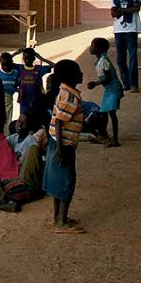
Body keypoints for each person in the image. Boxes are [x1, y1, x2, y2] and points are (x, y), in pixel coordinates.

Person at [43, 58, 86, 233]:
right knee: (67, 181)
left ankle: (57, 217)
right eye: (78, 72)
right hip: (64, 144)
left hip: (57, 142)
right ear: (70, 76)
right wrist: (61, 148)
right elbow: (60, 121)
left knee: (57, 181)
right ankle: (62, 222)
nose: (81, 74)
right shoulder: (71, 97)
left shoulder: (64, 91)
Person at [85, 37, 123, 147]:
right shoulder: (100, 60)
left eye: (92, 46)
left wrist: (95, 83)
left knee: (111, 114)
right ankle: (104, 135)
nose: (90, 48)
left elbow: (107, 78)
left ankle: (115, 139)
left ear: (97, 49)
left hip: (113, 89)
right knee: (104, 113)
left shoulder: (103, 61)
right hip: (110, 89)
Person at [111, 0, 141, 91]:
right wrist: (128, 9)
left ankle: (134, 84)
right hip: (119, 30)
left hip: (131, 29)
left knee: (133, 57)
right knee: (120, 58)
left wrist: (122, 10)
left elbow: (137, 8)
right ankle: (125, 82)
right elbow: (113, 12)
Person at [15, 47, 54, 121]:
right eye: (25, 58)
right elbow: (6, 61)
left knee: (35, 120)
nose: (27, 60)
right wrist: (16, 53)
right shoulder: (20, 68)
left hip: (35, 102)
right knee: (23, 120)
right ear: (23, 59)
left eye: (29, 58)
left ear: (33, 59)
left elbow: (54, 65)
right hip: (23, 101)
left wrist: (41, 58)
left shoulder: (39, 69)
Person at [0, 51, 20, 131]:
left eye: (7, 65)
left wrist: (17, 89)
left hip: (9, 100)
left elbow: (16, 85)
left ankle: (7, 133)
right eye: (3, 65)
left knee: (8, 118)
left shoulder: (15, 73)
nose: (5, 67)